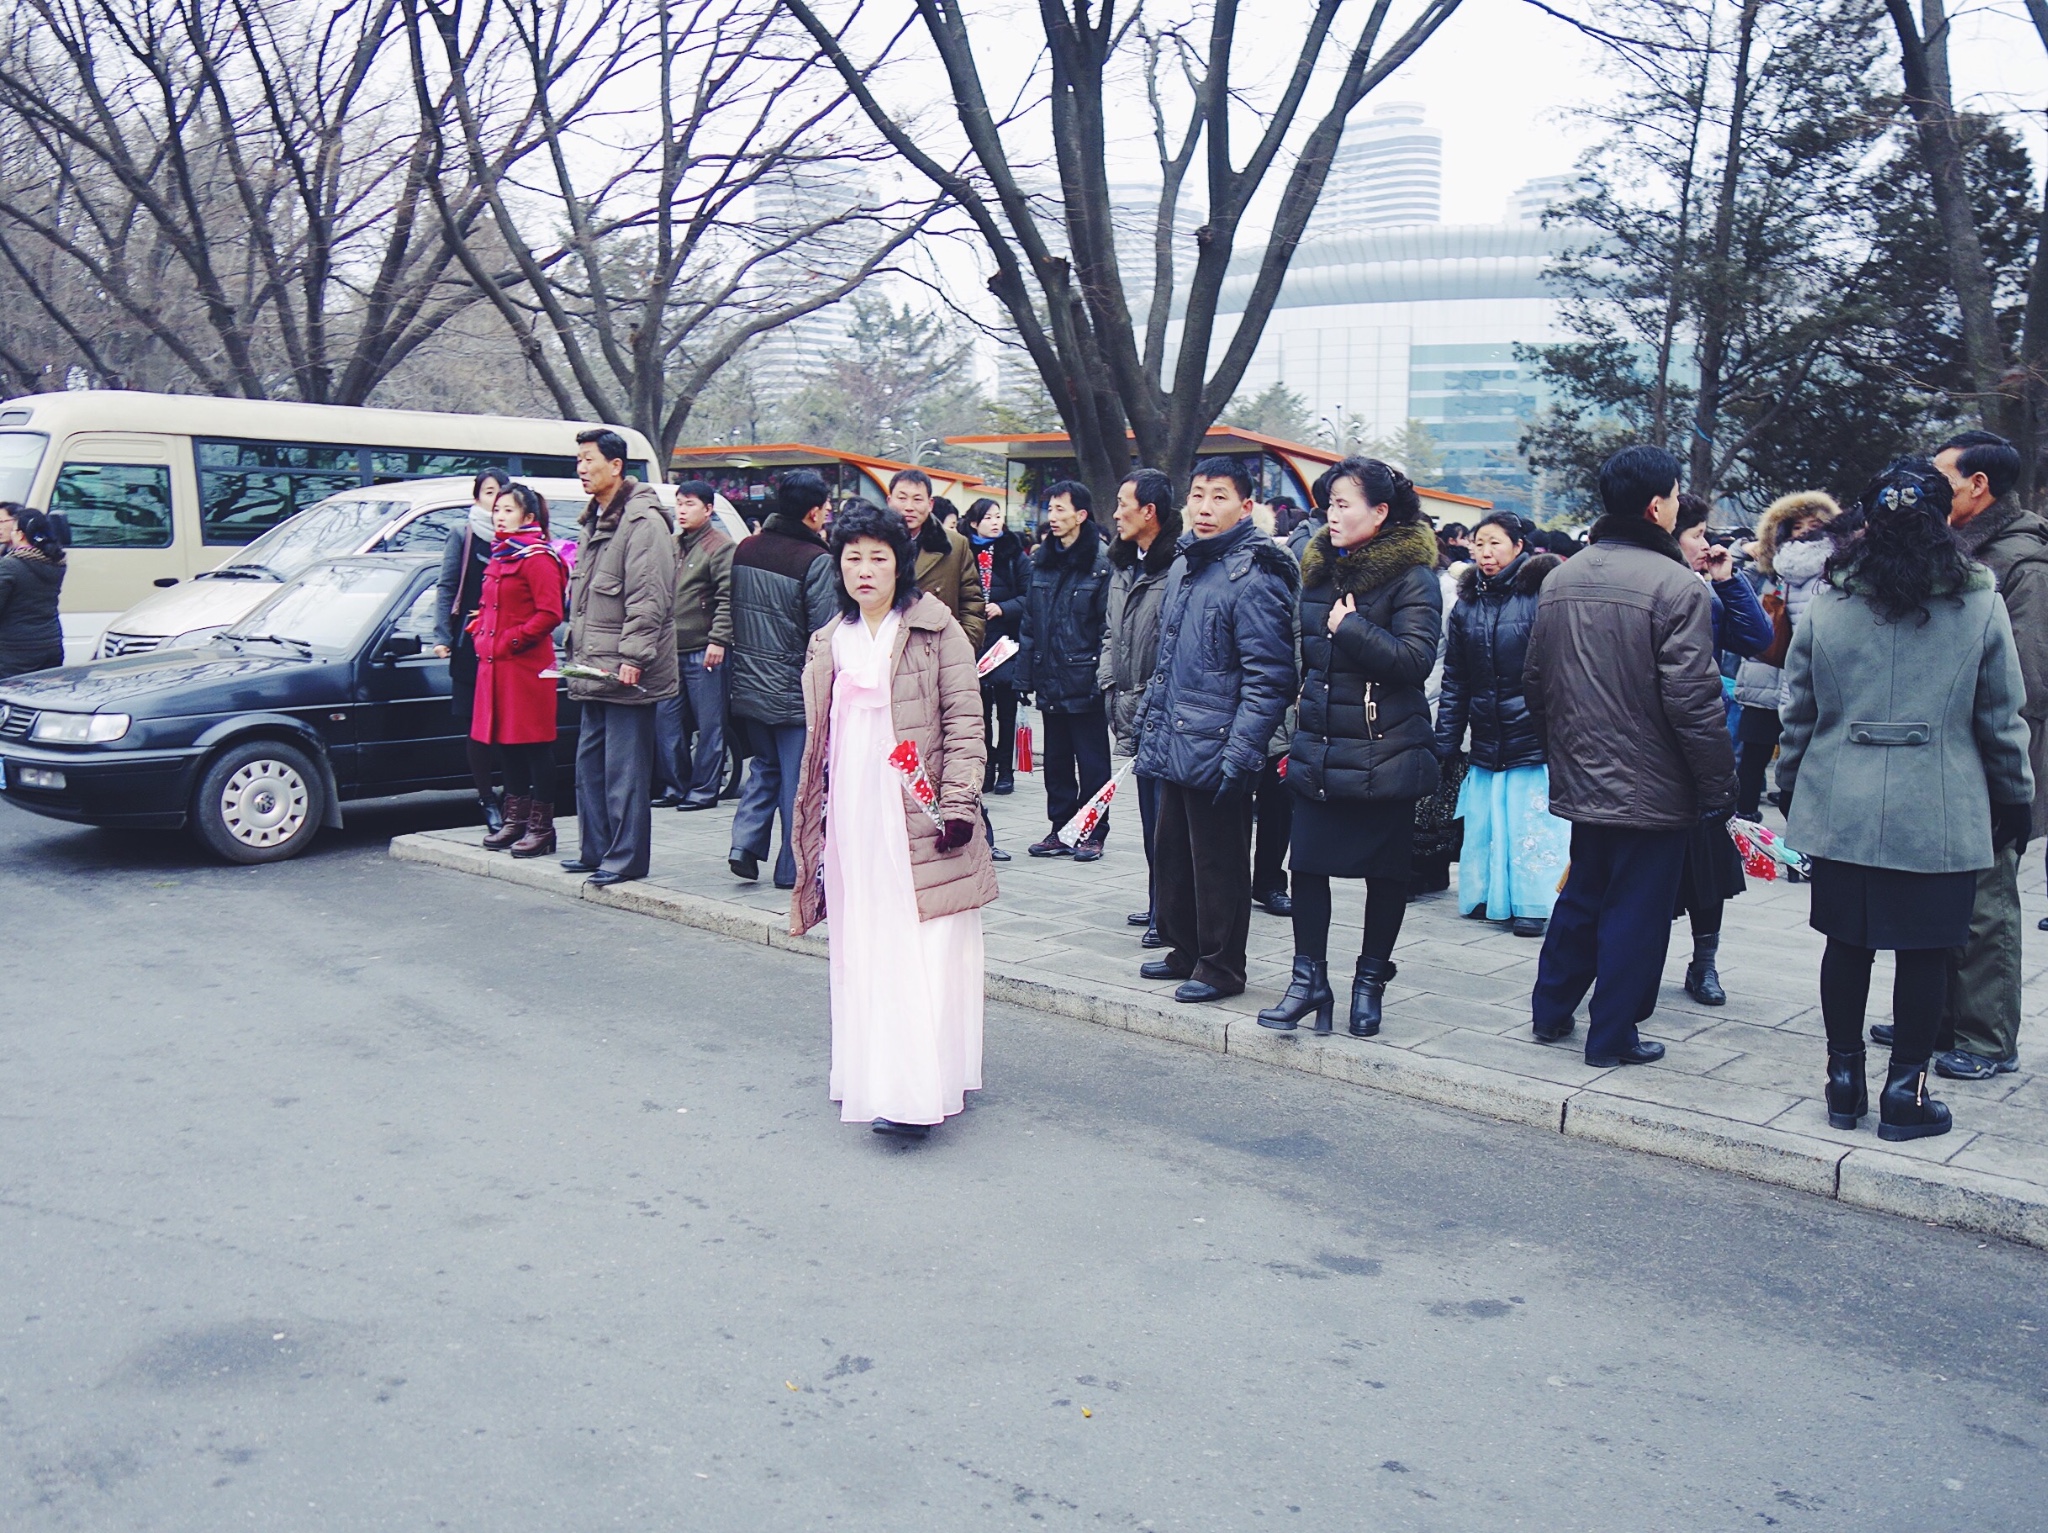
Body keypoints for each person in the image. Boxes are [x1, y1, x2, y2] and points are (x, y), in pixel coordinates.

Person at [1778, 457, 2033, 1141]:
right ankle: (1905, 1090)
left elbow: (1798, 707)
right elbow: (2002, 713)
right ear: (1944, 515)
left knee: (1847, 942)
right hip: (1941, 800)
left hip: (1842, 798)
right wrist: (2015, 796)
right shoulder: (1978, 594)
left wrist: (1790, 785)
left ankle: (1842, 1078)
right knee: (1927, 950)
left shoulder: (1832, 594)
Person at [1523, 445, 1737, 1067]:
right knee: (1636, 913)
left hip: (1584, 772)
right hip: (1655, 782)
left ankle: (1551, 1010)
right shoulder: (1677, 585)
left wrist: (1563, 751)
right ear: (1655, 505)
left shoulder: (1563, 576)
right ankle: (1612, 1035)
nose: (1676, 506)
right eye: (1673, 496)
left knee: (1583, 893)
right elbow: (1694, 702)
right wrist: (1718, 785)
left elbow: (1536, 682)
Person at [788, 503, 998, 1139]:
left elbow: (966, 723)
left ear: (901, 564)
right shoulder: (830, 640)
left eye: (879, 556)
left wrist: (960, 803)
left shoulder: (937, 630)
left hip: (921, 812)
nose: (865, 570)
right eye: (853, 557)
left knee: (928, 945)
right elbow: (820, 742)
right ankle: (871, 1072)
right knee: (867, 941)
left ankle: (917, 1090)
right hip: (854, 812)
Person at [1258, 458, 1441, 1036]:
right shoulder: (1316, 573)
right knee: (1307, 865)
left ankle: (1369, 984)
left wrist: (1353, 629)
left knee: (1385, 874)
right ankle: (1308, 982)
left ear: (1380, 512)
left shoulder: (1414, 576)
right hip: (1319, 745)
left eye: (1344, 505)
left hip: (1385, 750)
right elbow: (1303, 661)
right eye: (1329, 504)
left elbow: (1416, 662)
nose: (1331, 516)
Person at [1134, 457, 1297, 1004]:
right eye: (1198, 495)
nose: (1205, 508)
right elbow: (1172, 656)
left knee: (1219, 863)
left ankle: (1222, 967)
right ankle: (1185, 950)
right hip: (1177, 732)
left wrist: (1243, 751)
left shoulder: (1255, 574)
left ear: (1246, 507)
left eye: (1219, 496)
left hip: (1223, 741)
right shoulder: (1188, 562)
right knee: (1174, 853)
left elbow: (1270, 675)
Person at [1930, 430, 2048, 1078]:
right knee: (1947, 896)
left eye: (1943, 479)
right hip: (1949, 758)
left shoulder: (2023, 563)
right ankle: (1941, 1015)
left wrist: (2010, 783)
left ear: (1979, 485)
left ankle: (1985, 1037)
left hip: (1996, 761)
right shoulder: (1964, 549)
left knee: (1988, 902)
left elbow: (2026, 684)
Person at [1434, 510, 1565, 938]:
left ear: (1517, 546)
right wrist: (1446, 742)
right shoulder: (1466, 603)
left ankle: (1536, 901)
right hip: (1487, 733)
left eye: (1495, 543)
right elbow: (1455, 678)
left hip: (1533, 736)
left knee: (1532, 824)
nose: (1486, 553)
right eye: (1479, 543)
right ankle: (1488, 894)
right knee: (1488, 821)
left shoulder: (1540, 597)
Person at [1669, 492, 1774, 1005]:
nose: (1706, 544)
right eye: (1697, 534)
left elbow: (1758, 638)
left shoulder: (1707, 590)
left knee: (1710, 859)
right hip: (1650, 748)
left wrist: (1729, 580)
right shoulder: (1656, 586)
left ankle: (1703, 963)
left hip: (1703, 743)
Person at [560, 429, 677, 887]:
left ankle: (625, 858)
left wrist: (635, 655)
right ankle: (595, 849)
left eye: (589, 460)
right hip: (591, 663)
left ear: (616, 466)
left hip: (626, 666)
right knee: (589, 764)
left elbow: (649, 595)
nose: (582, 468)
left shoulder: (642, 520)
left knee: (624, 771)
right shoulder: (595, 518)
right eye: (579, 461)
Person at [728, 471, 840, 888]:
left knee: (764, 767)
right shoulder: (815, 560)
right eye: (826, 508)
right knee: (798, 779)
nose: (828, 514)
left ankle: (744, 845)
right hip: (794, 688)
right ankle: (792, 867)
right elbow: (824, 632)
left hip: (749, 684)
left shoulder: (746, 549)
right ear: (812, 513)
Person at [1100, 467, 1180, 948]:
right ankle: (1157, 903)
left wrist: (1149, 694)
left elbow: (1172, 643)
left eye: (1123, 503)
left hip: (1165, 708)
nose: (1117, 512)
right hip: (1128, 702)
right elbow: (1113, 631)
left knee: (1166, 818)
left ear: (1149, 511)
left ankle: (1168, 913)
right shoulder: (1124, 563)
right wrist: (1110, 683)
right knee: (1151, 817)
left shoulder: (1177, 567)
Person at [1730, 492, 1842, 819]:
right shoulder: (1767, 568)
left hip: (1776, 677)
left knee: (1762, 762)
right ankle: (1788, 842)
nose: (1806, 532)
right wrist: (1747, 549)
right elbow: (1731, 581)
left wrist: (1742, 550)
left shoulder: (1832, 571)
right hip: (1779, 679)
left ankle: (1751, 833)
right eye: (1798, 526)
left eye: (1815, 525)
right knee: (1760, 762)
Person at [472, 483, 569, 857]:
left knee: (534, 747)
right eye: (497, 509)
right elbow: (490, 607)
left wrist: (511, 640)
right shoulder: (501, 555)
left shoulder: (537, 557)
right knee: (505, 745)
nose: (500, 516)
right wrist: (479, 632)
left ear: (529, 517)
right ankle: (515, 821)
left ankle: (542, 828)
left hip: (526, 666)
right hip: (495, 667)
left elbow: (550, 614)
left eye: (508, 510)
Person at [1020, 479, 1114, 861]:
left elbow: (1109, 627)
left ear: (1081, 515)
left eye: (1061, 510)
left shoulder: (1101, 563)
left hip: (1085, 678)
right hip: (1049, 676)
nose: (1053, 517)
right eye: (1050, 510)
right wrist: (1024, 675)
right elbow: (1029, 622)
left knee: (1092, 764)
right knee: (1056, 762)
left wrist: (1102, 677)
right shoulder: (1043, 560)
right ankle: (1060, 829)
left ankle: (1092, 831)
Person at [433, 470, 512, 830]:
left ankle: (515, 795)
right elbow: (447, 586)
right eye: (488, 492)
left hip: (508, 642)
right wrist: (442, 636)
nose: (495, 501)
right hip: (470, 642)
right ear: (477, 496)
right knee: (477, 727)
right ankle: (486, 799)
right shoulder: (462, 534)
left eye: (501, 494)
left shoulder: (516, 540)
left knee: (511, 726)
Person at [655, 479, 734, 812]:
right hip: (670, 650)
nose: (682, 510)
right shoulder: (672, 544)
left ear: (708, 509)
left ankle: (704, 791)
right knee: (666, 721)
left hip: (705, 648)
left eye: (689, 504)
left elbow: (728, 597)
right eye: (679, 503)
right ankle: (676, 786)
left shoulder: (721, 546)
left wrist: (719, 639)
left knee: (710, 724)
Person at [887, 469, 986, 653]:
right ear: (889, 500)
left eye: (917, 499)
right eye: (902, 498)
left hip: (937, 651)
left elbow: (972, 603)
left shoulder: (955, 545)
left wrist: (963, 646)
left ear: (930, 504)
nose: (909, 507)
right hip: (885, 650)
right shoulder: (872, 543)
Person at [968, 497, 1027, 795]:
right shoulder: (963, 551)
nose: (995, 522)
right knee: (980, 712)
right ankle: (987, 767)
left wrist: (1002, 608)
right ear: (974, 522)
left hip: (1006, 645)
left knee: (1006, 710)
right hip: (974, 643)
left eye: (998, 516)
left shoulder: (1014, 553)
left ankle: (1006, 769)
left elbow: (1029, 597)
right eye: (988, 517)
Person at [0, 502, 65, 679]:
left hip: (16, 651)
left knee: (12, 702)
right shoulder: (55, 562)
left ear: (21, 535)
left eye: (12, 530)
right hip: (51, 643)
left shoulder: (9, 565)